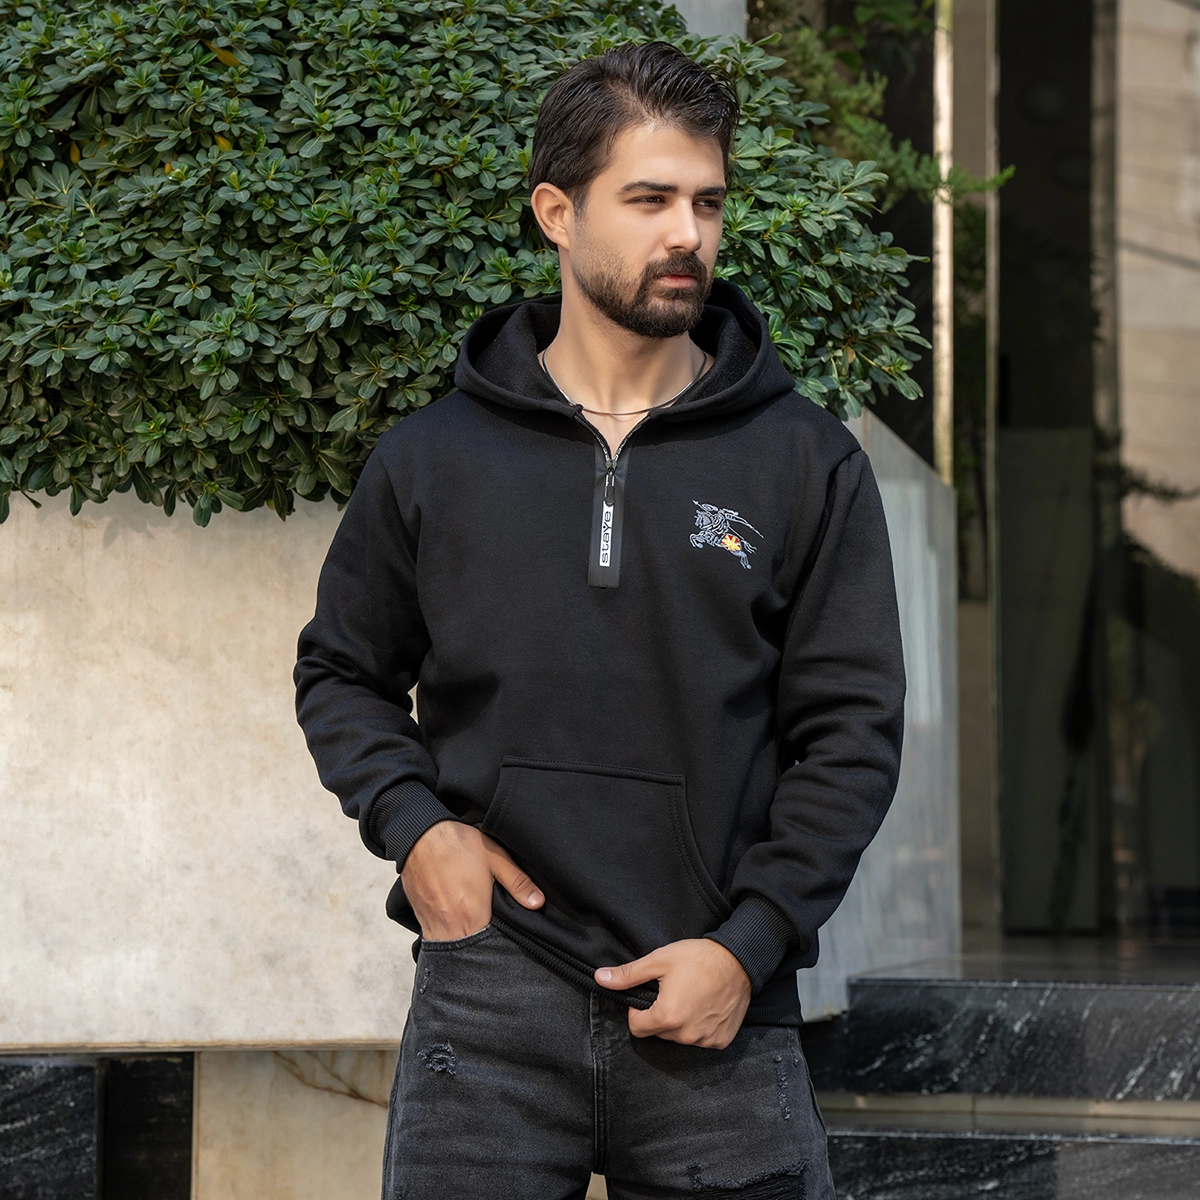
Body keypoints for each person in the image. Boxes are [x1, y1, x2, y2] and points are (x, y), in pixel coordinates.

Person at [295, 40, 905, 1200]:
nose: (688, 233)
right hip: (488, 1005)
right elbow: (342, 672)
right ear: (557, 214)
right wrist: (418, 831)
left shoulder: (804, 463)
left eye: (707, 202)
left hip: (716, 1003)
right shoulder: (435, 458)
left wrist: (750, 944)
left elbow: (852, 733)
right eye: (650, 200)